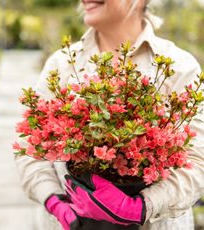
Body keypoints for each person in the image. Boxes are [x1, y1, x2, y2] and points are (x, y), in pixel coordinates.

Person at [15, 0, 204, 229]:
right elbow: (30, 150)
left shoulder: (179, 66)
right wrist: (54, 200)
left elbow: (197, 161)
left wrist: (142, 206)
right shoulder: (62, 64)